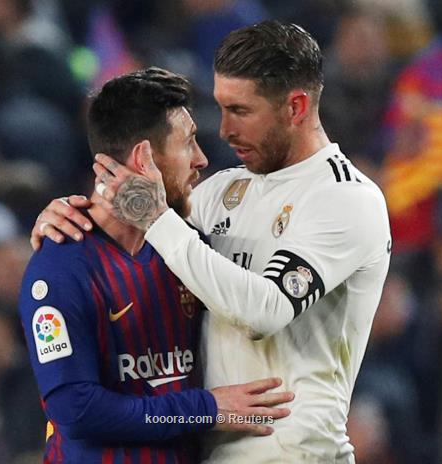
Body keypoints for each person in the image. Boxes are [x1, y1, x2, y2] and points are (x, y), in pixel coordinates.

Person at [33, 21, 391, 463]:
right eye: (220, 108)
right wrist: (70, 219)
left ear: (296, 107)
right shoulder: (220, 192)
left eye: (240, 110)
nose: (223, 130)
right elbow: (135, 233)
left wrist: (157, 217)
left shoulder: (346, 198)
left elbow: (264, 311)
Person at [20, 67, 293, 464]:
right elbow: (76, 411)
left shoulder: (189, 250)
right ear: (143, 158)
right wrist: (205, 409)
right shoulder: (60, 266)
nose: (201, 159)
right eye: (188, 143)